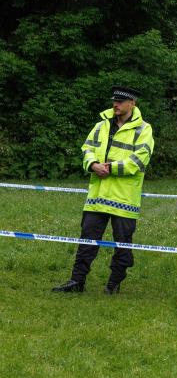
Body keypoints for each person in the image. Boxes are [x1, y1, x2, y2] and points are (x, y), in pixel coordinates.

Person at [52, 86, 154, 294]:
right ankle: (76, 281)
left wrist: (109, 168)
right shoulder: (101, 125)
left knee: (123, 245)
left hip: (123, 198)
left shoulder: (144, 129)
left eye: (120, 101)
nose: (115, 104)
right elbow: (87, 149)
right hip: (97, 197)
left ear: (132, 103)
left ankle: (114, 283)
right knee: (87, 240)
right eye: (114, 101)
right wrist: (92, 165)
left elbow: (139, 160)